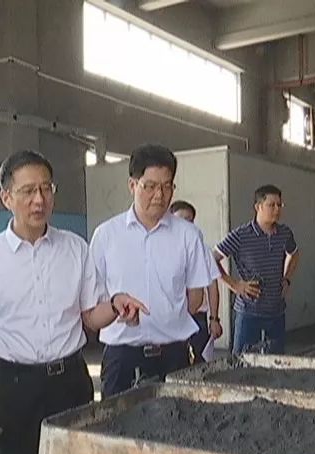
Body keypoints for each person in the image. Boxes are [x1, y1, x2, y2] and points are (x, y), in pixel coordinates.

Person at [0, 150, 145, 454]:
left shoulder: (75, 248)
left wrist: (115, 306)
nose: (39, 200)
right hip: (14, 389)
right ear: (6, 197)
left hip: (70, 382)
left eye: (46, 188)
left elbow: (90, 316)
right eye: (28, 191)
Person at [90, 144, 212, 398]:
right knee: (116, 421)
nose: (159, 195)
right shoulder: (106, 235)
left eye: (167, 186)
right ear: (132, 185)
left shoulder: (188, 235)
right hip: (121, 357)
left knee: (178, 420)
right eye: (150, 186)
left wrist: (167, 317)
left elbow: (195, 299)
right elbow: (95, 299)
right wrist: (116, 310)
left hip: (173, 355)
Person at [214, 184, 299, 355]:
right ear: (258, 207)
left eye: (279, 205)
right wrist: (235, 285)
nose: (277, 209)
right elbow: (211, 260)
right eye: (271, 205)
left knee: (276, 360)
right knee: (241, 360)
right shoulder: (241, 235)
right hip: (249, 312)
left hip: (276, 311)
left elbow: (294, 254)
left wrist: (287, 278)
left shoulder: (284, 234)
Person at [169, 200, 223, 362]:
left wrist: (214, 319)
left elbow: (212, 286)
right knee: (176, 362)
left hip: (197, 317)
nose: (186, 225)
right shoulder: (161, 248)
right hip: (171, 316)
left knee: (199, 363)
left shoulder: (202, 249)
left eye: (190, 220)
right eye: (181, 220)